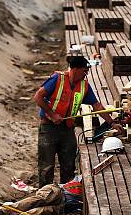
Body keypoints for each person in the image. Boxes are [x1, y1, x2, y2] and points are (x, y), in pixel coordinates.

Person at [33, 55, 123, 188]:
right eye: (84, 71)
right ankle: (45, 195)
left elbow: (97, 106)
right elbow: (38, 97)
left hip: (67, 130)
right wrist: (52, 115)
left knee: (69, 164)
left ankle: (66, 195)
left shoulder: (84, 86)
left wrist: (111, 122)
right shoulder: (57, 79)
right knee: (46, 166)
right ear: (75, 69)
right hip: (49, 129)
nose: (86, 74)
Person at [0, 177, 84, 215]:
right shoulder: (83, 178)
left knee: (45, 211)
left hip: (63, 205)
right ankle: (5, 211)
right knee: (38, 200)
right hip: (57, 191)